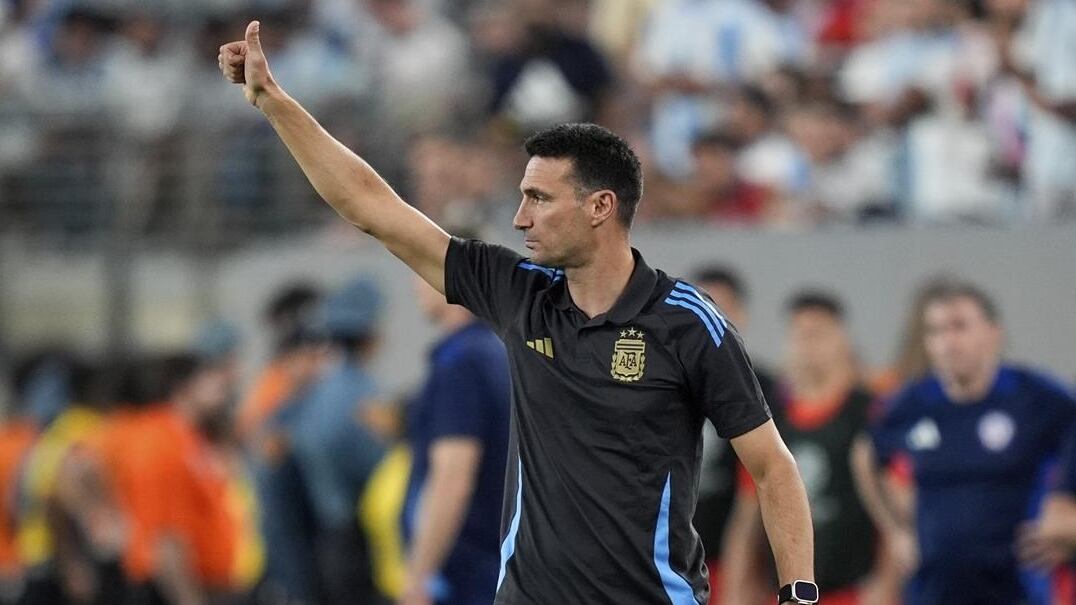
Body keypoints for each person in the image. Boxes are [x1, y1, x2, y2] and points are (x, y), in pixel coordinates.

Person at [218, 23, 816, 604]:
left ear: (600, 207)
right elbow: (370, 206)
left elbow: (772, 468)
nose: (519, 218)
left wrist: (798, 595)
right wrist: (274, 103)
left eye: (539, 198)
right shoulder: (518, 292)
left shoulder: (687, 322)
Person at [852, 277, 1076, 605]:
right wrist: (896, 530)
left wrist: (1065, 501)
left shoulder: (1031, 396)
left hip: (1018, 590)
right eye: (935, 331)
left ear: (993, 333)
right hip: (933, 591)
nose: (947, 341)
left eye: (959, 327)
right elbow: (867, 453)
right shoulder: (914, 403)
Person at [724, 291, 884, 605]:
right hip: (787, 594)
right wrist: (738, 585)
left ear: (842, 340)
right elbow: (748, 511)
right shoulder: (770, 420)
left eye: (818, 334)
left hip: (854, 590)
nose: (808, 345)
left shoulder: (868, 413)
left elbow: (889, 507)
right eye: (800, 334)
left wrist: (886, 580)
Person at [401, 275, 511, 605]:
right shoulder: (494, 350)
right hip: (492, 566)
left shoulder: (460, 362)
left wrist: (418, 578)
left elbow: (452, 479)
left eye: (421, 270)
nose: (416, 283)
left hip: (463, 577)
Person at [687, 265, 778, 605]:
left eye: (719, 311)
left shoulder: (764, 387)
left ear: (740, 315)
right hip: (669, 557)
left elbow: (765, 480)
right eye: (697, 312)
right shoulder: (660, 382)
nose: (706, 324)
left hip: (734, 561)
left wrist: (749, 568)